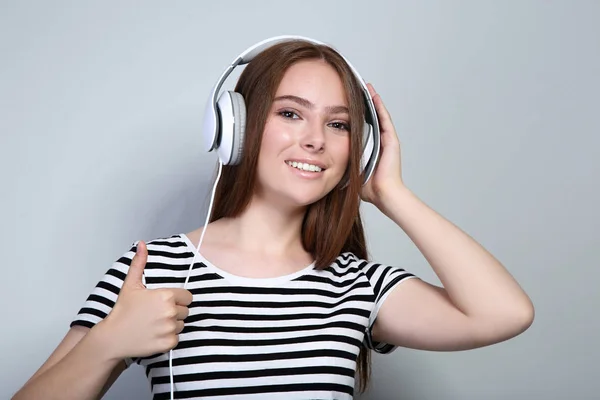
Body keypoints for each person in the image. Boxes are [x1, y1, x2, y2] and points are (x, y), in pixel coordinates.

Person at [13, 38, 534, 400]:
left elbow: (504, 313)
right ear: (235, 127)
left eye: (338, 124)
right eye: (290, 113)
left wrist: (390, 192)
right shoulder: (153, 268)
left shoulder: (358, 284)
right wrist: (106, 343)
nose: (315, 139)